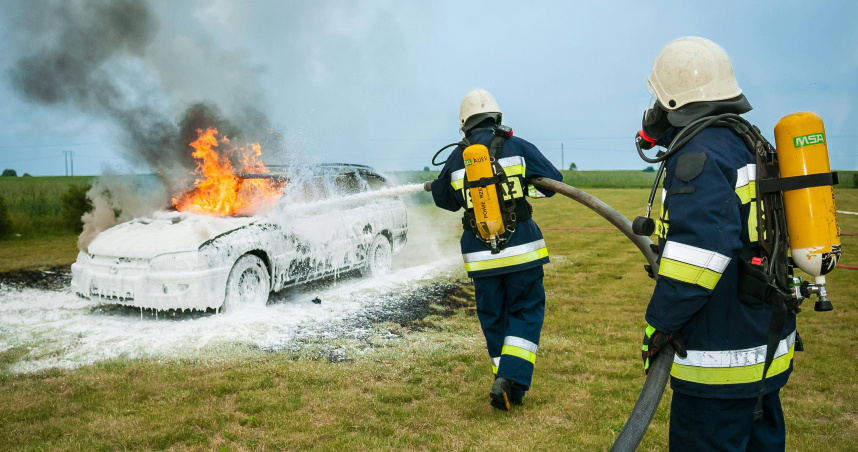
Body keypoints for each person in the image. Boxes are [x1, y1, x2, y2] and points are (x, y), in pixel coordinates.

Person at [636, 37, 796, 451]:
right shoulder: (747, 141)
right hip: (764, 349)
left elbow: (697, 257)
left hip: (720, 361)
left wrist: (660, 324)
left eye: (658, 99)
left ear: (673, 100)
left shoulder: (699, 156)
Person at [425, 89, 562, 410]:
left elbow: (444, 200)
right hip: (522, 250)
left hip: (480, 255)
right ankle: (509, 380)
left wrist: (446, 184)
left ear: (464, 125)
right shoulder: (517, 147)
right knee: (525, 312)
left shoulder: (458, 156)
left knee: (494, 318)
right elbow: (553, 181)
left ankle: (508, 388)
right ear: (496, 118)